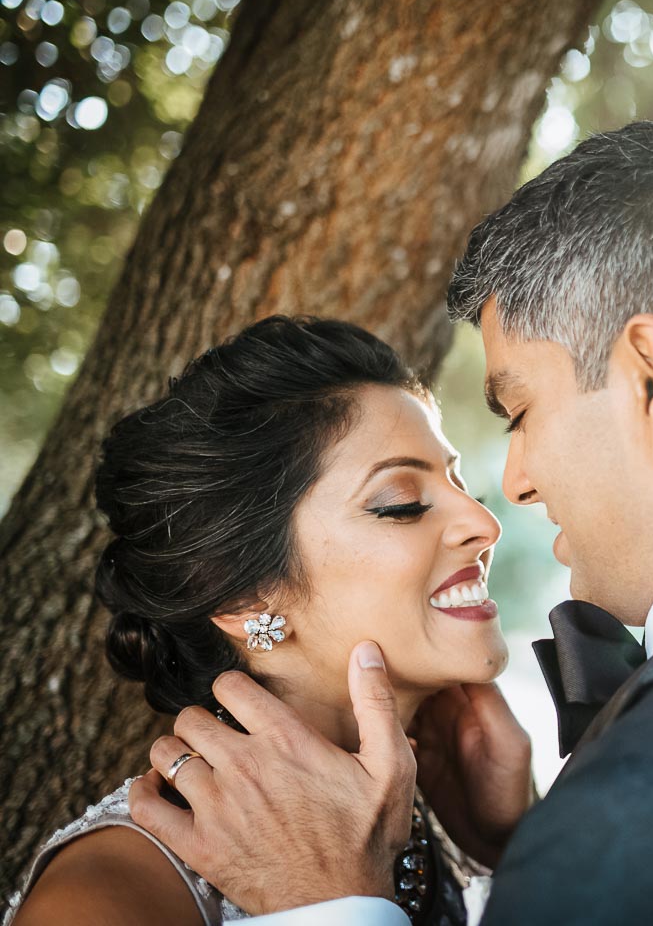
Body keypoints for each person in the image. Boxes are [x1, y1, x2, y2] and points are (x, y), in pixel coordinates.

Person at [129, 119, 653, 924]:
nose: (507, 491)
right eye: (400, 500)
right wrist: (529, 847)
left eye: (519, 412)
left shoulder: (648, 811)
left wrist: (333, 909)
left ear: (650, 379)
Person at [5, 315, 524, 926]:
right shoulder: (109, 893)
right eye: (400, 505)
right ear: (249, 598)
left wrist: (512, 850)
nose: (484, 525)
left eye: (462, 484)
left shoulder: (439, 824)